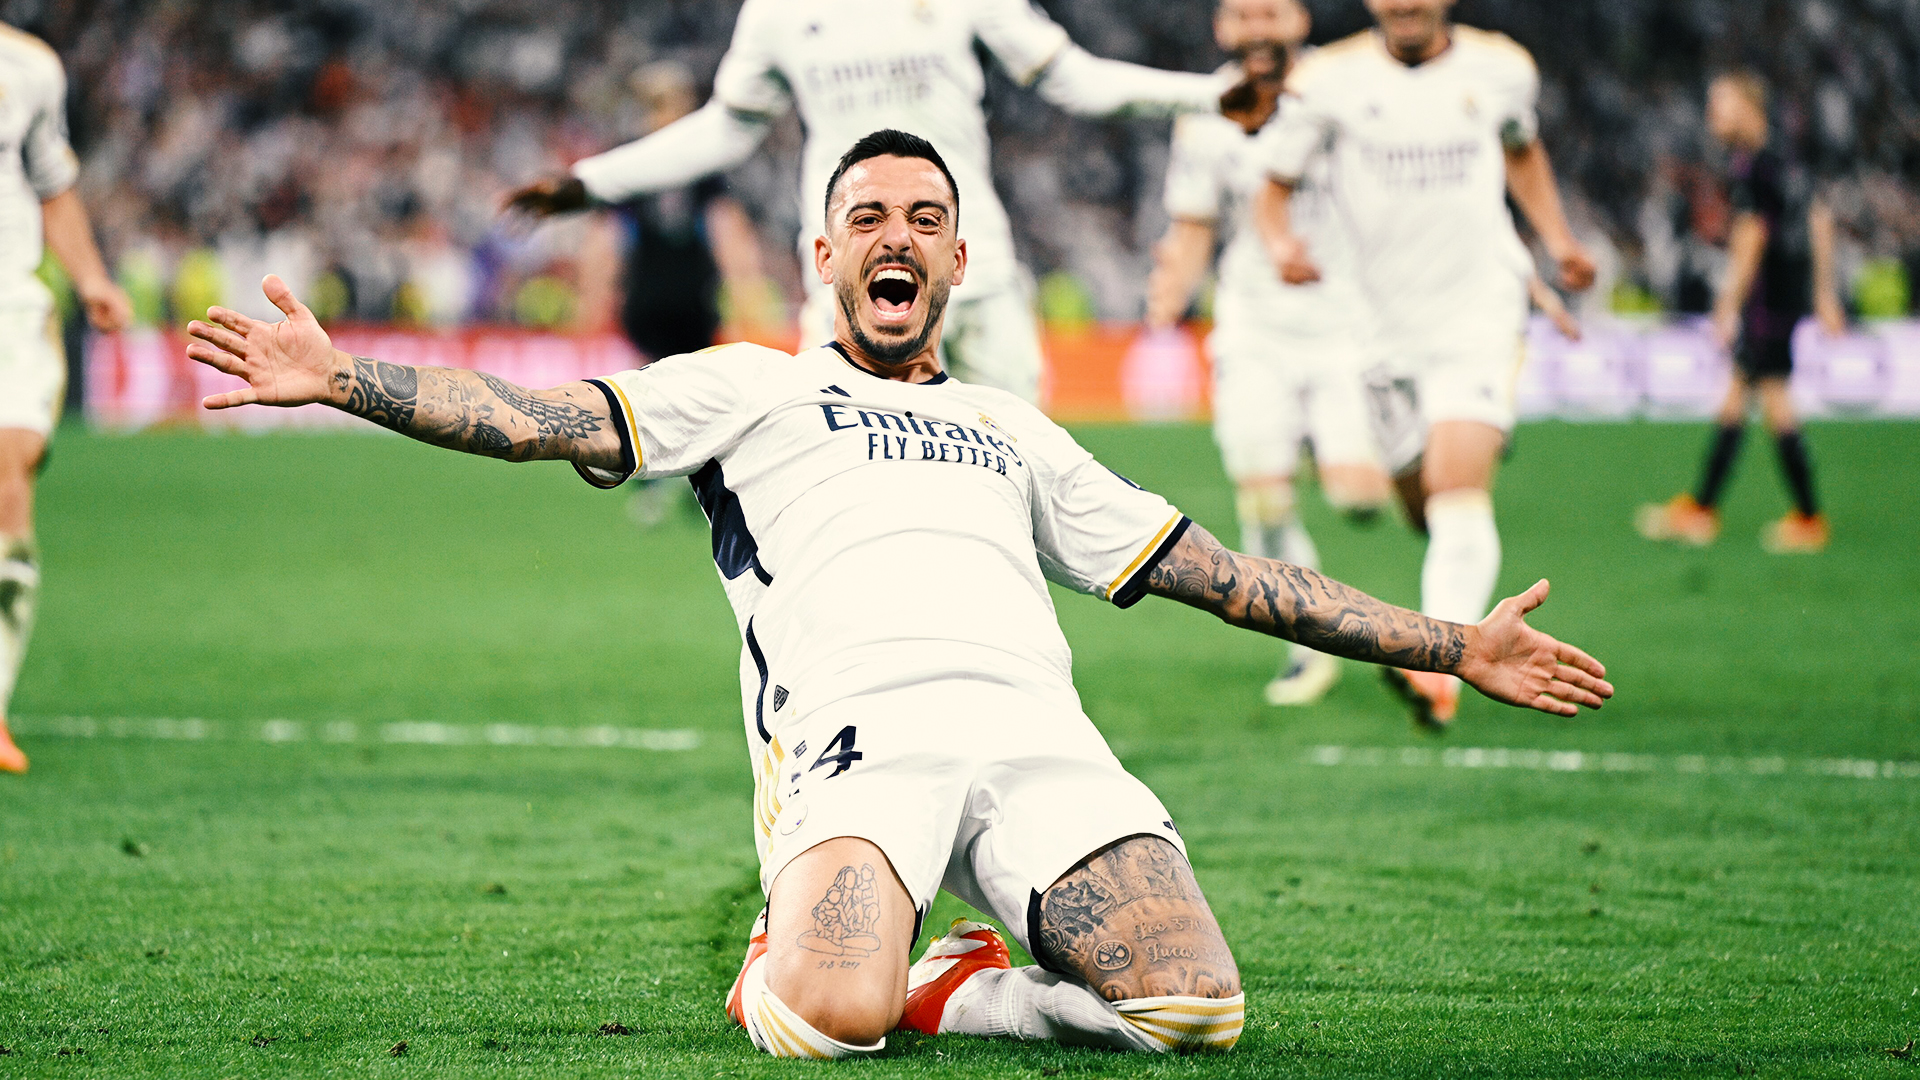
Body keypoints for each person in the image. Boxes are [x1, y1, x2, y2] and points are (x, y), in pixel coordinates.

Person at [185, 129, 1612, 1059]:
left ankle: (967, 978)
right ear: (826, 256)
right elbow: (544, 416)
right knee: (823, 1027)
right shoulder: (750, 386)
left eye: (925, 217)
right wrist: (344, 381)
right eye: (868, 214)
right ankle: (838, 950)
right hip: (862, 747)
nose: (898, 235)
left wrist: (1452, 641)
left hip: (1040, 742)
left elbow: (1229, 579)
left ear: (954, 259)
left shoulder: (1014, 426)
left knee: (1196, 1009)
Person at [503, 0, 1232, 403]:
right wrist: (592, 183)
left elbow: (1072, 78)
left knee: (1021, 469)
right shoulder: (780, 14)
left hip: (974, 268)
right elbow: (725, 129)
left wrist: (1214, 96)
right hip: (848, 281)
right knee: (832, 464)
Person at [1251, 0, 1596, 728]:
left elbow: (1522, 150)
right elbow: (1273, 191)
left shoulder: (1501, 68)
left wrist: (1557, 241)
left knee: (1455, 486)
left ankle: (1440, 669)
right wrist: (1281, 245)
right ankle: (1450, 609)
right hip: (1379, 329)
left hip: (1478, 314)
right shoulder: (1326, 80)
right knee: (1422, 501)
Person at [1144, 0, 1390, 707]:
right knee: (1263, 497)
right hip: (1253, 329)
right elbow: (1194, 224)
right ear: (1223, 28)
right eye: (1243, 14)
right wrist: (1170, 290)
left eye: (1271, 13)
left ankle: (1321, 451)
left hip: (1347, 327)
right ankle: (1304, 652)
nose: (1257, 28)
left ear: (1300, 21)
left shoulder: (1343, 95)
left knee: (1360, 498)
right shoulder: (1205, 116)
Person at [0, 26, 134, 774]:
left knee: (9, 462)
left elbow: (53, 187)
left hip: (10, 307)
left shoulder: (30, 68)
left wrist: (90, 279)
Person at [1635, 71, 1840, 554]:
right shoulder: (1788, 160)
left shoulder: (1752, 167)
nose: (1713, 116)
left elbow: (1751, 237)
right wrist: (1823, 292)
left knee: (1773, 399)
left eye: (1721, 104)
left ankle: (1808, 517)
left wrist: (1728, 304)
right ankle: (1702, 508)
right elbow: (1820, 220)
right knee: (1736, 398)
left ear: (1749, 107)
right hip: (1786, 296)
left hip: (1766, 301)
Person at [606, 60, 782, 529]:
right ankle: (677, 482)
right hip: (661, 293)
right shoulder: (691, 161)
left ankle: (669, 485)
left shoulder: (642, 160)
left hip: (678, 294)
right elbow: (612, 238)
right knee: (674, 387)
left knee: (674, 386)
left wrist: (743, 286)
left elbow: (724, 231)